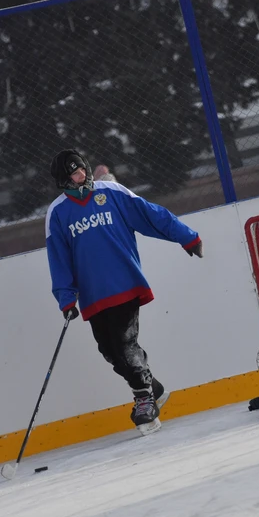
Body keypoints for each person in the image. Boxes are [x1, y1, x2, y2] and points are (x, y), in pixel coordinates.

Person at [45, 149, 204, 434]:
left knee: (124, 342)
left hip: (124, 282)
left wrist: (187, 237)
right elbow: (59, 258)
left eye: (81, 171)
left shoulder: (112, 192)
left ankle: (144, 400)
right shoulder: (58, 213)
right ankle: (153, 388)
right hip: (93, 294)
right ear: (62, 181)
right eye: (73, 175)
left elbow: (152, 215)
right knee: (109, 350)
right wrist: (66, 297)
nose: (80, 178)